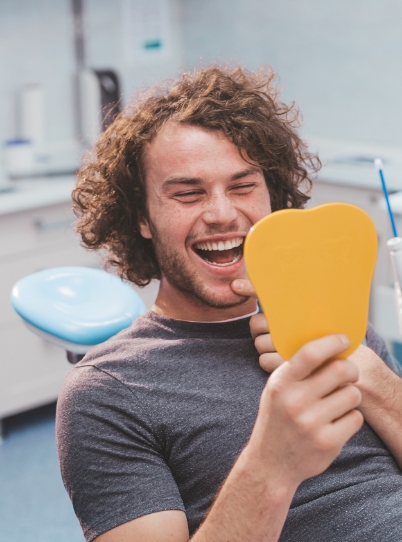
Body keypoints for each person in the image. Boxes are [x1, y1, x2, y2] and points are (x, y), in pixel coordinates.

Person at [56, 66, 402, 542]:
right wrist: (272, 465)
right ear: (141, 217)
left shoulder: (333, 322)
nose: (222, 214)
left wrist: (367, 372)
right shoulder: (106, 393)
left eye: (242, 187)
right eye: (188, 193)